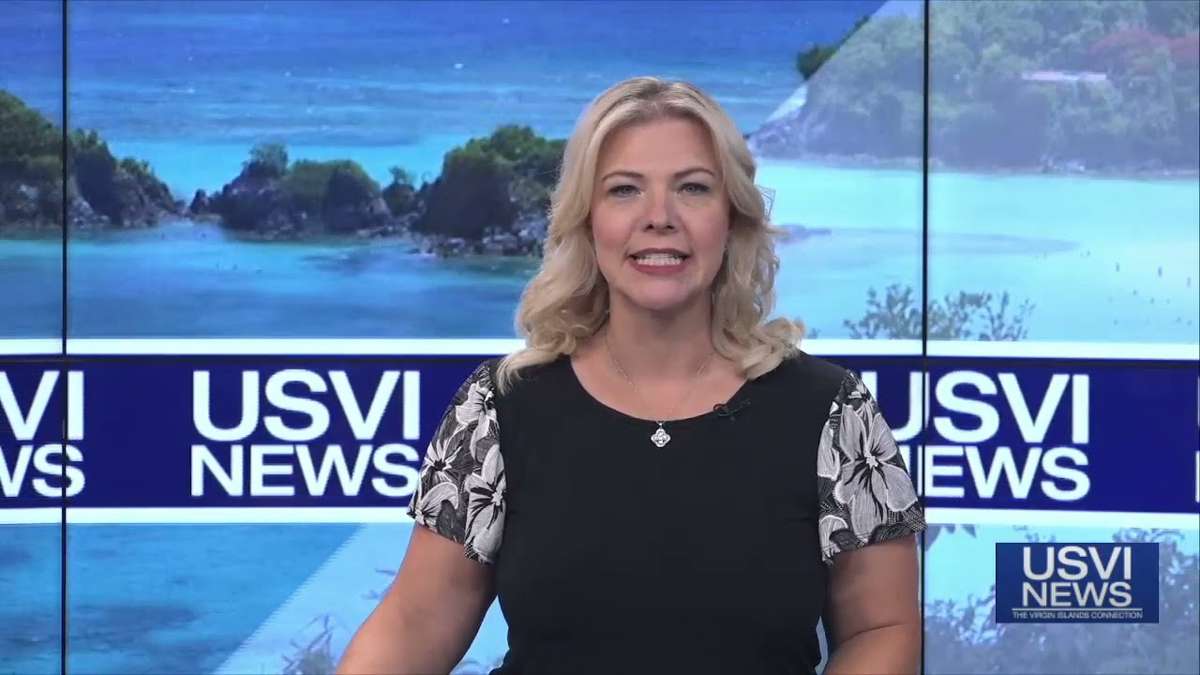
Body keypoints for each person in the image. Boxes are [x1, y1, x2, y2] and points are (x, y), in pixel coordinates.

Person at [337, 76, 925, 675]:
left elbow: (882, 629)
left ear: (732, 217)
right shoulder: (499, 406)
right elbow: (415, 621)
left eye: (693, 188)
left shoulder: (832, 410)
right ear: (586, 220)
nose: (659, 218)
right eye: (624, 190)